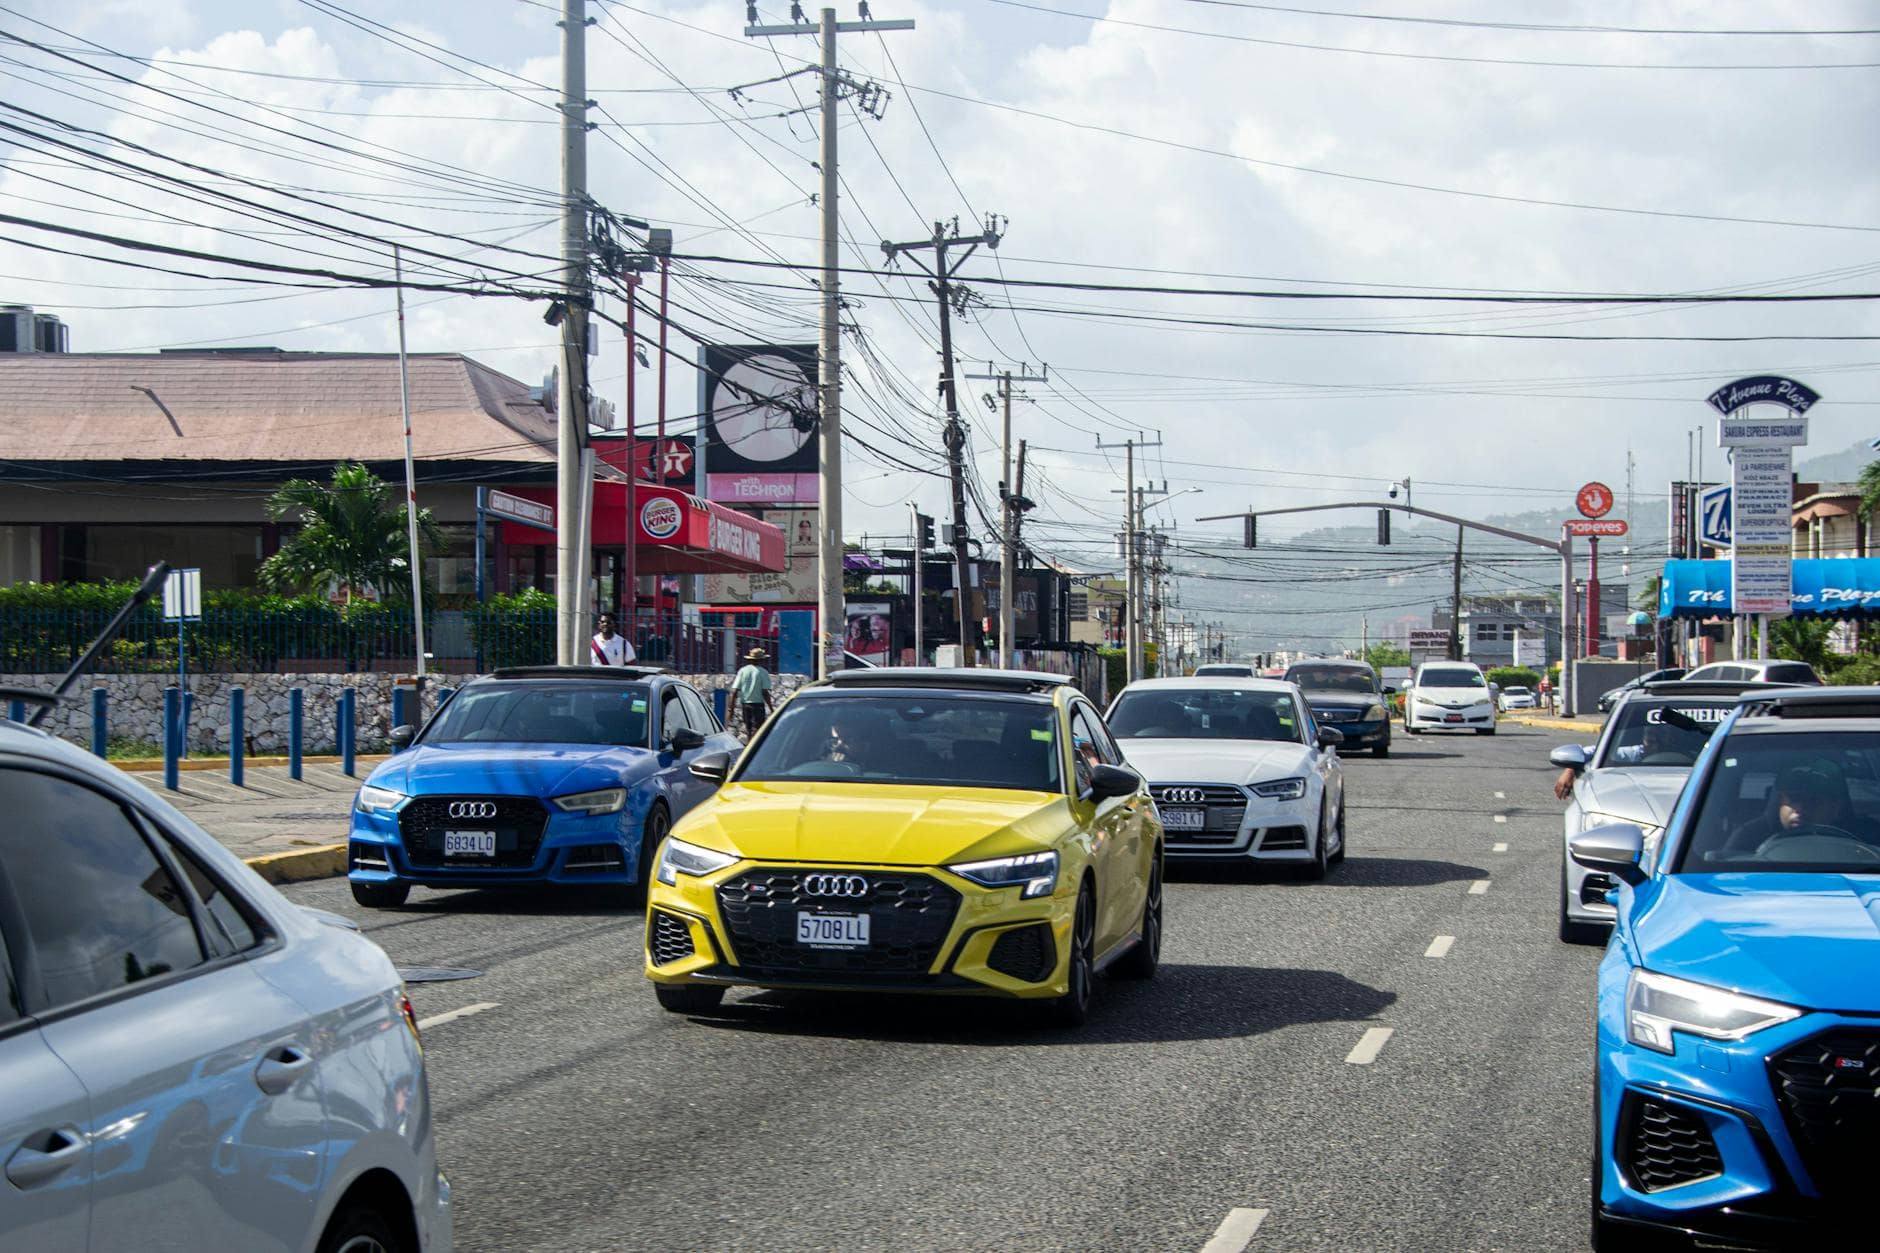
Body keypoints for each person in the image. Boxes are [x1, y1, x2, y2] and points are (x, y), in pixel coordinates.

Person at [733, 646, 772, 738]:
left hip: (745, 704)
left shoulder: (742, 671)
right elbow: (765, 692)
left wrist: (731, 708)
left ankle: (749, 744)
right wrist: (771, 707)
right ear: (761, 660)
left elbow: (734, 690)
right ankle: (755, 746)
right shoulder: (763, 672)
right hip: (758, 705)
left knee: (748, 729)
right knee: (758, 728)